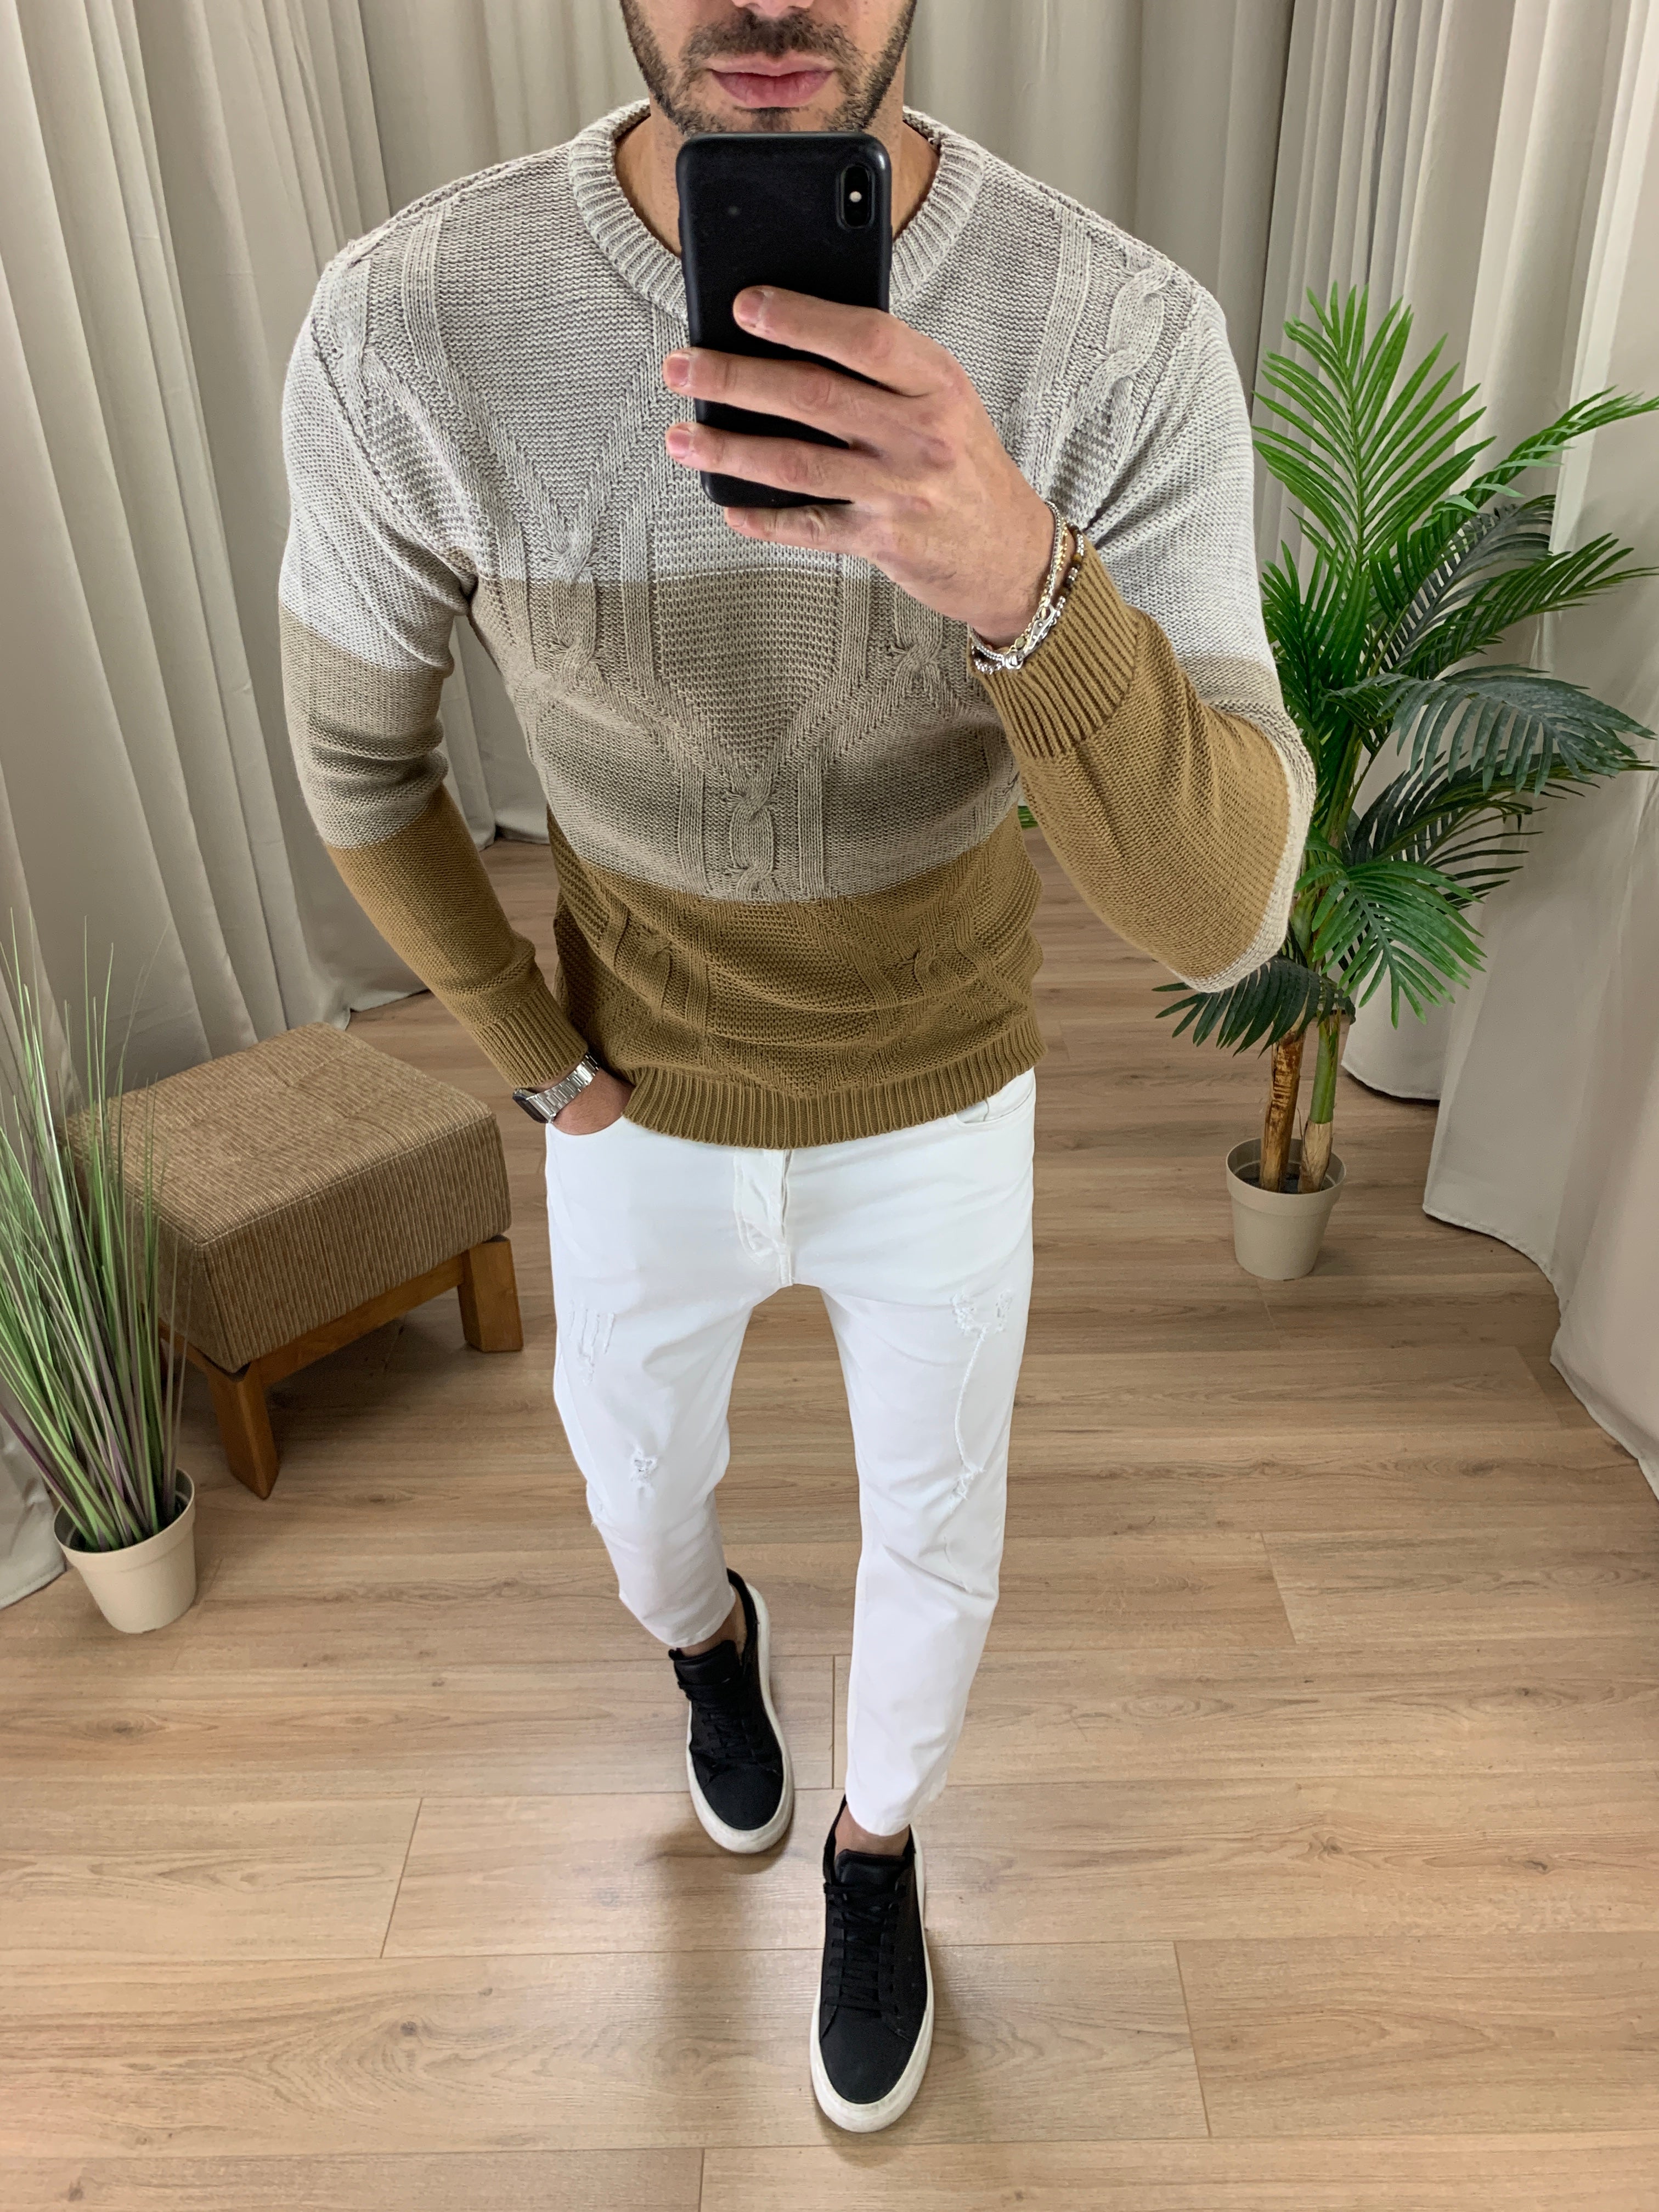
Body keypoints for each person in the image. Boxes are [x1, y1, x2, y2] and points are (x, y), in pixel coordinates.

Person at [278, 0, 1312, 2134]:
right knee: (632, 1499)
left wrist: (1025, 580)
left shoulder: (1119, 335)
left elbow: (1228, 915)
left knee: (941, 1532)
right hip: (628, 1097)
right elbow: (358, 769)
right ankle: (706, 1650)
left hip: (945, 1095)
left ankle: (874, 1851)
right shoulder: (411, 324)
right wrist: (538, 1068)